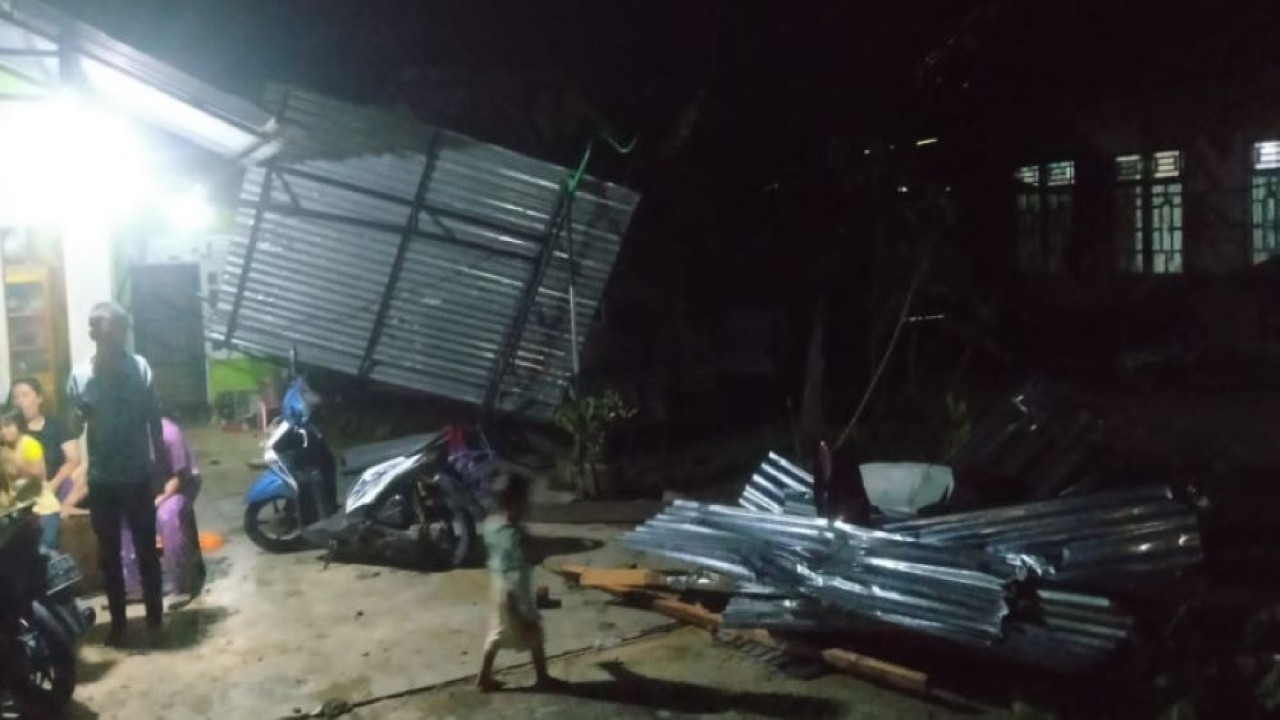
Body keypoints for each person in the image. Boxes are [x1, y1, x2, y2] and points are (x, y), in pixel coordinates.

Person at [66, 302, 169, 646]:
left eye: (108, 325)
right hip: (103, 479)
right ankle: (119, 625)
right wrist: (79, 417)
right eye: (95, 325)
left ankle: (155, 617)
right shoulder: (81, 376)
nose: (99, 331)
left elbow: (155, 419)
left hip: (138, 475)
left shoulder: (139, 369)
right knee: (108, 556)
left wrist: (161, 465)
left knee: (145, 551)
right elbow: (73, 424)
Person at [475, 474, 564, 692]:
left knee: (497, 634)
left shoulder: (490, 525)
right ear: (515, 501)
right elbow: (524, 560)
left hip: (498, 586)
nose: (528, 504)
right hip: (514, 588)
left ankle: (483, 678)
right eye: (524, 499)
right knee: (534, 632)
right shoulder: (515, 535)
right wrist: (522, 611)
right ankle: (542, 678)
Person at [119, 416, 206, 601]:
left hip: (181, 482)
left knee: (167, 517)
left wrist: (158, 500)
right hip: (147, 485)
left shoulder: (170, 434)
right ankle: (133, 585)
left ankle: (182, 583)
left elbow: (179, 476)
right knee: (123, 518)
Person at [8, 378, 82, 516]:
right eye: (15, 398)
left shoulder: (57, 426)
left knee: (86, 468)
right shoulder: (11, 433)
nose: (20, 402)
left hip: (57, 484)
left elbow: (73, 459)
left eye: (25, 395)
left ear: (39, 398)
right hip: (27, 487)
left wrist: (53, 484)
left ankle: (65, 506)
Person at [0, 408, 59, 548]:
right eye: (0, 428)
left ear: (18, 424)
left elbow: (40, 476)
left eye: (8, 426)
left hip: (43, 509)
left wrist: (16, 465)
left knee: (44, 551)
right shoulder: (2, 449)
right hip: (18, 512)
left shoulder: (29, 444)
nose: (4, 432)